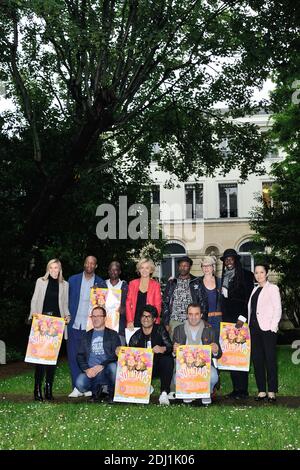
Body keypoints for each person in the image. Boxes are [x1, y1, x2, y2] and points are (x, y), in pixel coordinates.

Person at [29, 258, 70, 401]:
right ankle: (37, 388)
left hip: (56, 326)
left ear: (60, 269)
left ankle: (48, 388)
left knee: (52, 360)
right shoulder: (41, 281)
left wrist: (67, 316)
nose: (54, 270)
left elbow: (64, 304)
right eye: (51, 268)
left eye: (56, 268)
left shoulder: (65, 285)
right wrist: (33, 315)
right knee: (40, 359)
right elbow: (34, 300)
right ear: (48, 269)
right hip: (41, 324)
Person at [67, 256, 107, 397]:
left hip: (91, 327)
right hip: (74, 325)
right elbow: (65, 300)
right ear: (84, 264)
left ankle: (88, 386)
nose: (89, 265)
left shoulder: (101, 283)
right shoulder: (72, 280)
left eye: (92, 263)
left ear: (96, 266)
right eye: (87, 262)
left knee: (89, 358)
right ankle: (76, 388)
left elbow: (104, 305)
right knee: (73, 357)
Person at [220, 248, 254, 399]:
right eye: (226, 259)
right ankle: (236, 389)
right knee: (233, 355)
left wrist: (243, 318)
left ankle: (243, 390)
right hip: (228, 322)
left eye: (230, 259)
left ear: (236, 260)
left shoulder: (246, 275)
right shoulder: (223, 277)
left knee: (241, 355)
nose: (228, 261)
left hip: (241, 320)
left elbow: (249, 299)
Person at [173, 303, 222, 405]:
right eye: (190, 314)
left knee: (213, 376)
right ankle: (187, 393)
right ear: (187, 315)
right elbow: (174, 355)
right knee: (175, 377)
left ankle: (207, 392)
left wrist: (216, 349)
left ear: (201, 315)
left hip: (203, 367)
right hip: (185, 367)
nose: (193, 317)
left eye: (196, 314)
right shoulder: (178, 330)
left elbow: (219, 354)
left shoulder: (210, 330)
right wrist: (174, 350)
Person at [247, 264, 282, 402]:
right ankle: (261, 391)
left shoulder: (273, 288)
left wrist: (273, 327)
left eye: (261, 272)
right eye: (256, 272)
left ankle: (272, 391)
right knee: (257, 360)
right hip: (254, 330)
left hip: (268, 330)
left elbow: (277, 309)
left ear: (266, 274)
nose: (259, 275)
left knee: (270, 360)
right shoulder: (254, 289)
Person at [128, 305, 174, 405]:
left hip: (158, 366)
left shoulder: (160, 330)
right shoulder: (136, 336)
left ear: (154, 319)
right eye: (144, 316)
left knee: (168, 360)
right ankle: (143, 387)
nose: (146, 319)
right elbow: (128, 353)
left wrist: (163, 348)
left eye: (149, 316)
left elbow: (170, 347)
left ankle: (164, 393)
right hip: (142, 369)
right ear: (140, 319)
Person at [76, 306, 121, 403]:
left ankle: (111, 394)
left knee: (114, 367)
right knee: (79, 383)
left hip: (106, 370)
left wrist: (102, 365)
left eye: (99, 316)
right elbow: (80, 355)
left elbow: (116, 355)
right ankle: (99, 389)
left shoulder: (113, 334)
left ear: (105, 318)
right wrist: (87, 369)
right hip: (92, 371)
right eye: (93, 316)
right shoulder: (86, 336)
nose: (96, 319)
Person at [162, 256, 208, 339]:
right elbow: (165, 302)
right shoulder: (172, 282)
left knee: (190, 348)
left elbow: (203, 301)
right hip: (175, 320)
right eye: (181, 266)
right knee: (175, 347)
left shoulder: (196, 282)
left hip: (192, 320)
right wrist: (166, 323)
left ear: (190, 267)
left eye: (185, 266)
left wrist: (203, 319)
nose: (183, 268)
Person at [126, 258, 162, 329]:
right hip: (134, 321)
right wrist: (130, 321)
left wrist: (153, 320)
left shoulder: (156, 285)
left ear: (151, 270)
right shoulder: (132, 283)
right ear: (139, 269)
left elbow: (158, 306)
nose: (144, 270)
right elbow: (128, 303)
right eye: (142, 268)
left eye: (147, 268)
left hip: (150, 321)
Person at [199, 256, 222, 338]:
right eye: (203, 266)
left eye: (208, 265)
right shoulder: (197, 283)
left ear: (213, 267)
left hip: (219, 319)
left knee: (218, 346)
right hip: (203, 319)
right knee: (205, 346)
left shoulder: (221, 282)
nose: (206, 268)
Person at [106, 261, 128, 342]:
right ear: (108, 271)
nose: (113, 272)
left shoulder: (126, 287)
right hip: (104, 328)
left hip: (120, 328)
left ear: (120, 272)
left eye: (116, 270)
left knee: (119, 352)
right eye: (111, 270)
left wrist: (124, 309)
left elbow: (130, 306)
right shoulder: (102, 285)